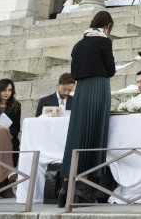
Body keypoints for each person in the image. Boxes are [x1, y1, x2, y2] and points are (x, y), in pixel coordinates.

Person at [59, 11, 116, 206]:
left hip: (81, 90)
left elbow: (74, 72)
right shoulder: (104, 42)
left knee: (76, 133)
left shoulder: (78, 44)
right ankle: (83, 188)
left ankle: (65, 187)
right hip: (98, 87)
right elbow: (111, 70)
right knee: (94, 133)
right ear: (107, 25)